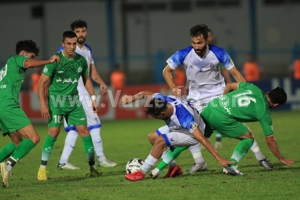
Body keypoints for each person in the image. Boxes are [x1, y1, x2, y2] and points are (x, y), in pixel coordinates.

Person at [153, 24, 272, 175]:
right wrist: (172, 86)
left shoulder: (218, 53)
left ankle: (259, 158)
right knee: (193, 132)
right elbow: (166, 70)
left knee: (239, 128)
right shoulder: (183, 54)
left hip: (219, 96)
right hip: (196, 100)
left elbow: (235, 72)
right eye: (194, 43)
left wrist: (244, 89)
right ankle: (199, 162)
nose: (196, 46)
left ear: (206, 40)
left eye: (200, 43)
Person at [120, 91, 234, 181]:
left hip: (190, 134)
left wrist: (219, 159)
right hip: (176, 126)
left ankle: (141, 173)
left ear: (163, 114)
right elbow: (146, 93)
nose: (156, 119)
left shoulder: (183, 118)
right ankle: (173, 167)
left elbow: (201, 139)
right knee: (152, 137)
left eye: (156, 117)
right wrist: (132, 98)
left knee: (160, 140)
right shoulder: (162, 100)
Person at [37, 31, 101, 181]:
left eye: (74, 44)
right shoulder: (55, 61)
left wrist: (93, 98)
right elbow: (41, 83)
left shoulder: (80, 61)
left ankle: (92, 168)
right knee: (53, 133)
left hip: (73, 102)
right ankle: (42, 168)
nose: (72, 47)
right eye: (69, 44)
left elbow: (86, 80)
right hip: (56, 103)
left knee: (85, 131)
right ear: (63, 44)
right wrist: (43, 104)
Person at [57, 20, 116, 170]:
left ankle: (63, 161)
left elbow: (91, 73)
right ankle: (101, 159)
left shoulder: (87, 50)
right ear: (72, 34)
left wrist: (102, 83)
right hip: (76, 94)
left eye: (83, 31)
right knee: (94, 125)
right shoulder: (68, 50)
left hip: (80, 93)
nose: (81, 34)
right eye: (77, 32)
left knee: (75, 128)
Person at [0, 40, 60, 187]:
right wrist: (49, 60)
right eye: (31, 56)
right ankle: (7, 166)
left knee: (17, 143)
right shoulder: (16, 59)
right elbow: (27, 63)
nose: (31, 60)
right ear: (23, 53)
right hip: (8, 104)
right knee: (34, 138)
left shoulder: (7, 68)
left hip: (1, 105)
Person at [201, 82, 294, 175]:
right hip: (221, 118)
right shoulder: (264, 113)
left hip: (212, 106)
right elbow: (270, 141)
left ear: (268, 92)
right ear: (276, 105)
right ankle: (231, 165)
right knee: (248, 138)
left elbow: (229, 85)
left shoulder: (252, 87)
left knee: (194, 136)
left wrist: (223, 102)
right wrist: (281, 158)